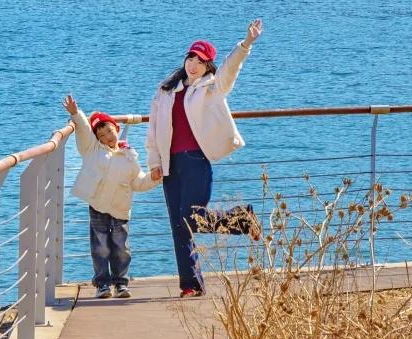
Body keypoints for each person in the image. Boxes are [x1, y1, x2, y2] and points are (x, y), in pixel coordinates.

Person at [147, 19, 263, 298]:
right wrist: (154, 161)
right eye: (191, 58)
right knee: (179, 225)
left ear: (208, 65)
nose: (193, 64)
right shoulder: (166, 91)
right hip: (170, 166)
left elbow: (230, 70)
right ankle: (190, 284)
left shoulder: (213, 87)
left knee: (191, 216)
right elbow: (153, 128)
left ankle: (242, 219)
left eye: (200, 60)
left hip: (197, 162)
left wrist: (245, 44)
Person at [62, 95, 155, 299]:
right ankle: (102, 284)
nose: (107, 136)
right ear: (97, 138)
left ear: (117, 130)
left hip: (121, 208)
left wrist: (154, 178)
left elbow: (138, 182)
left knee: (121, 248)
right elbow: (85, 131)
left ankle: (121, 283)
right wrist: (76, 114)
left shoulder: (130, 155)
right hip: (98, 206)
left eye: (110, 130)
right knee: (101, 248)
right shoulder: (91, 149)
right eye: (102, 134)